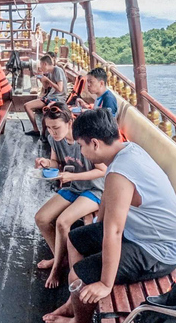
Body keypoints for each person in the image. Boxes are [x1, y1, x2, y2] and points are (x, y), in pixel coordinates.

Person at [43, 109, 176, 323]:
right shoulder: (127, 150)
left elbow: (114, 231)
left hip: (157, 249)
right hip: (139, 232)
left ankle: (79, 320)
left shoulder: (120, 172)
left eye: (81, 146)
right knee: (75, 239)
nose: (81, 151)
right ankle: (75, 301)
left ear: (95, 143)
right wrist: (94, 234)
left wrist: (105, 284)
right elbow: (106, 207)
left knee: (78, 276)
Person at [34, 102, 106, 289]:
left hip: (94, 190)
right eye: (48, 128)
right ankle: (60, 257)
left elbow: (102, 170)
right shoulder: (54, 140)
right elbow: (56, 163)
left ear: (69, 122)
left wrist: (72, 176)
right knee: (41, 219)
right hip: (75, 187)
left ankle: (57, 267)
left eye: (56, 127)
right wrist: (45, 163)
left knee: (62, 221)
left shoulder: (85, 139)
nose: (52, 132)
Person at [25, 55, 68, 137]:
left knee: (45, 113)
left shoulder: (57, 70)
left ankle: (43, 134)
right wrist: (42, 80)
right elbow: (46, 87)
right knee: (27, 106)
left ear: (45, 64)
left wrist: (48, 80)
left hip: (58, 98)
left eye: (40, 65)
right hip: (50, 97)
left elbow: (60, 88)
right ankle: (36, 130)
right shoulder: (50, 73)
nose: (40, 67)